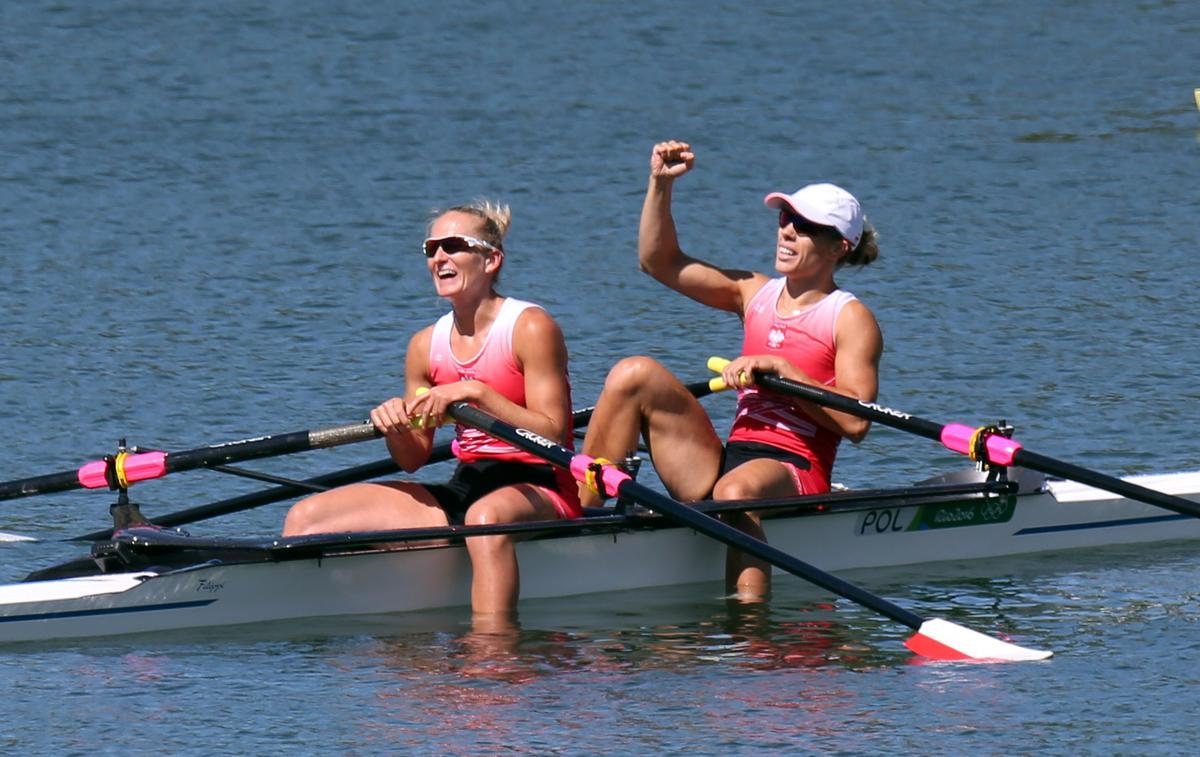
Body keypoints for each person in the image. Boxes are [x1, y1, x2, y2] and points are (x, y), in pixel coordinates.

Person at [580, 140, 882, 599]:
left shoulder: (849, 317)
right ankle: (577, 521)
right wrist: (660, 185)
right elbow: (658, 262)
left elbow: (857, 422)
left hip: (795, 467)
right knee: (632, 374)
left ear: (838, 247)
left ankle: (749, 630)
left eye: (803, 227)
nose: (786, 231)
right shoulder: (753, 292)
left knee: (737, 490)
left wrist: (780, 369)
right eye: (785, 219)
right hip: (726, 459)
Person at [283, 200, 582, 618]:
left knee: (485, 518)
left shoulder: (530, 326)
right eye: (431, 248)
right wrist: (394, 425)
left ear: (491, 259)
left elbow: (552, 432)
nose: (439, 256)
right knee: (306, 517)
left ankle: (493, 653)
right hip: (466, 485)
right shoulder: (425, 345)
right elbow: (413, 459)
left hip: (544, 482)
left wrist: (475, 393)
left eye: (454, 245)